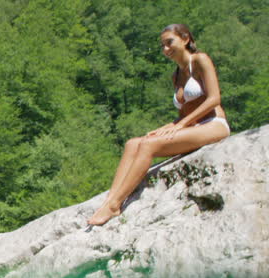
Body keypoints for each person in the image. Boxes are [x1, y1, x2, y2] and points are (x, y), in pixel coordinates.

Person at [88, 23, 231, 226]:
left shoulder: (200, 60)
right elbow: (184, 112)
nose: (165, 49)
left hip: (213, 123)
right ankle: (109, 200)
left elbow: (214, 99)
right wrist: (168, 126)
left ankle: (114, 206)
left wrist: (181, 125)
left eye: (169, 42)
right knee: (133, 143)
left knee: (148, 146)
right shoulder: (176, 75)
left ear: (185, 39)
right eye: (162, 45)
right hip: (193, 126)